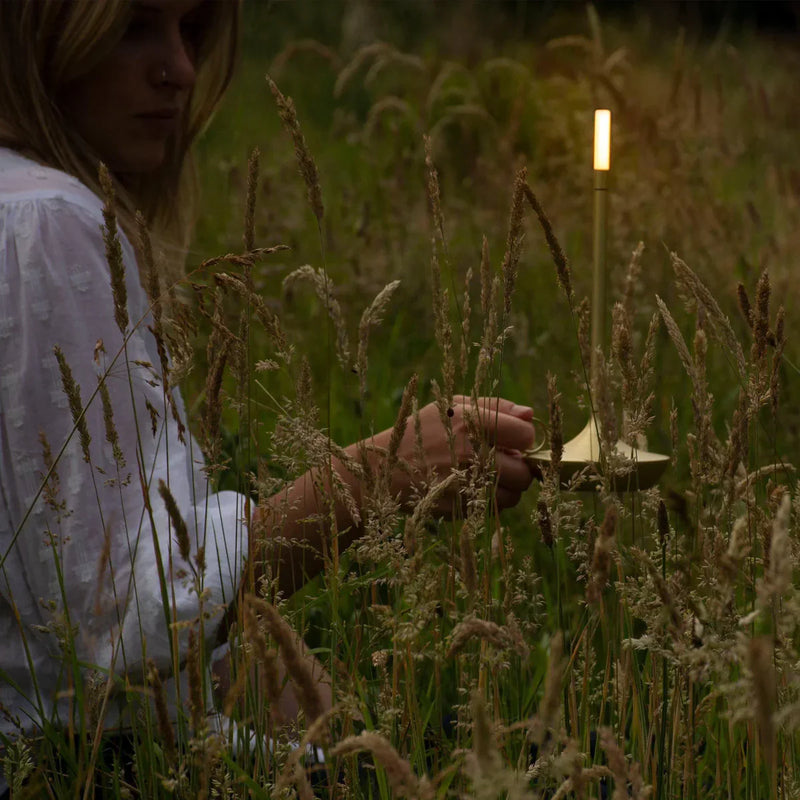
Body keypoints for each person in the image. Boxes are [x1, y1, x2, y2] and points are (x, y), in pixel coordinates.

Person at [0, 0, 536, 790]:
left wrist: (246, 655)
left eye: (189, 30)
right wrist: (373, 478)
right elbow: (108, 627)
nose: (178, 69)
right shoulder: (46, 223)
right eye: (132, 28)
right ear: (38, 38)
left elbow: (66, 589)